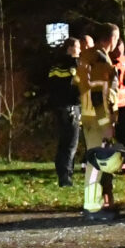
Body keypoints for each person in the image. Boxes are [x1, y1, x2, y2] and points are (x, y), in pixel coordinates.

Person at [41, 34, 84, 187]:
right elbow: (78, 87)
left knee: (63, 143)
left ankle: (63, 175)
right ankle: (66, 178)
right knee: (71, 144)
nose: (80, 50)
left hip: (59, 108)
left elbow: (51, 86)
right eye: (79, 47)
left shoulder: (55, 65)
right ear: (71, 49)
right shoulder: (73, 65)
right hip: (71, 108)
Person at [76, 29, 119, 157]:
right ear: (112, 38)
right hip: (98, 117)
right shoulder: (100, 58)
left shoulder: (87, 56)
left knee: (99, 160)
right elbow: (98, 92)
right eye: (117, 39)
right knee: (98, 162)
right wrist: (106, 123)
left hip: (88, 114)